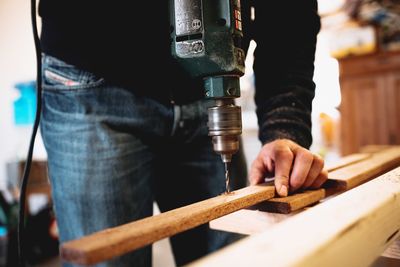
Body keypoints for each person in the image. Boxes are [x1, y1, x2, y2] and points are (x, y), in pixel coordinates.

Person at [38, 0, 328, 266]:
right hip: (91, 82)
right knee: (107, 258)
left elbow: (291, 15)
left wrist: (284, 125)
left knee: (233, 256)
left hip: (203, 90)